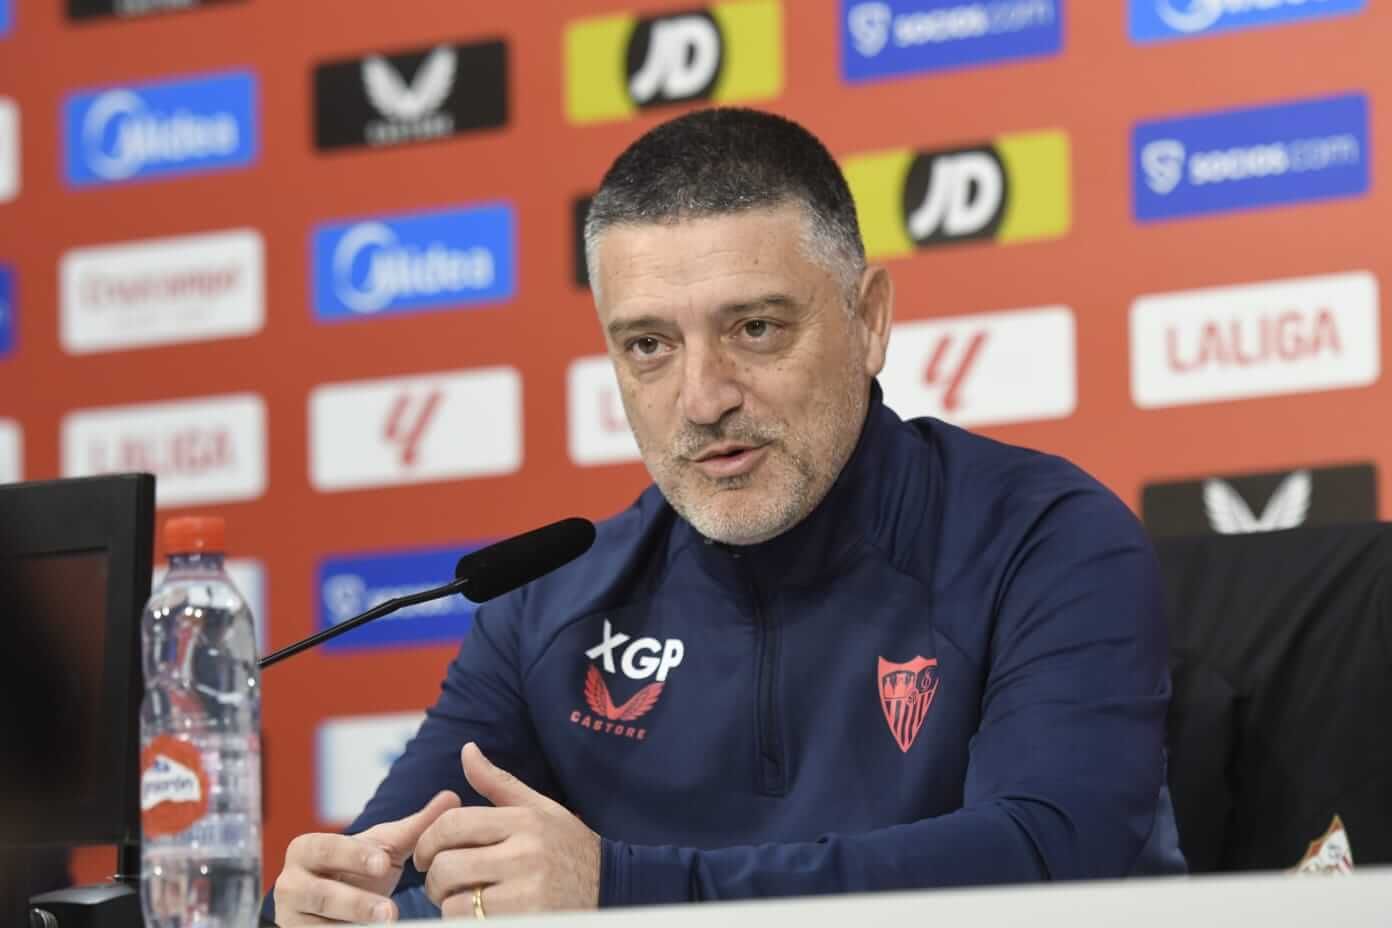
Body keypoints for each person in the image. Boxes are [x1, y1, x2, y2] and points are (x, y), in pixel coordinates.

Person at [268, 107, 1185, 924]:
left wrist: (619, 892)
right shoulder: (553, 601)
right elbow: (392, 870)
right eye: (650, 346)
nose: (703, 399)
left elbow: (1048, 868)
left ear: (869, 321)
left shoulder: (1046, 539)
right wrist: (326, 903)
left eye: (755, 329)